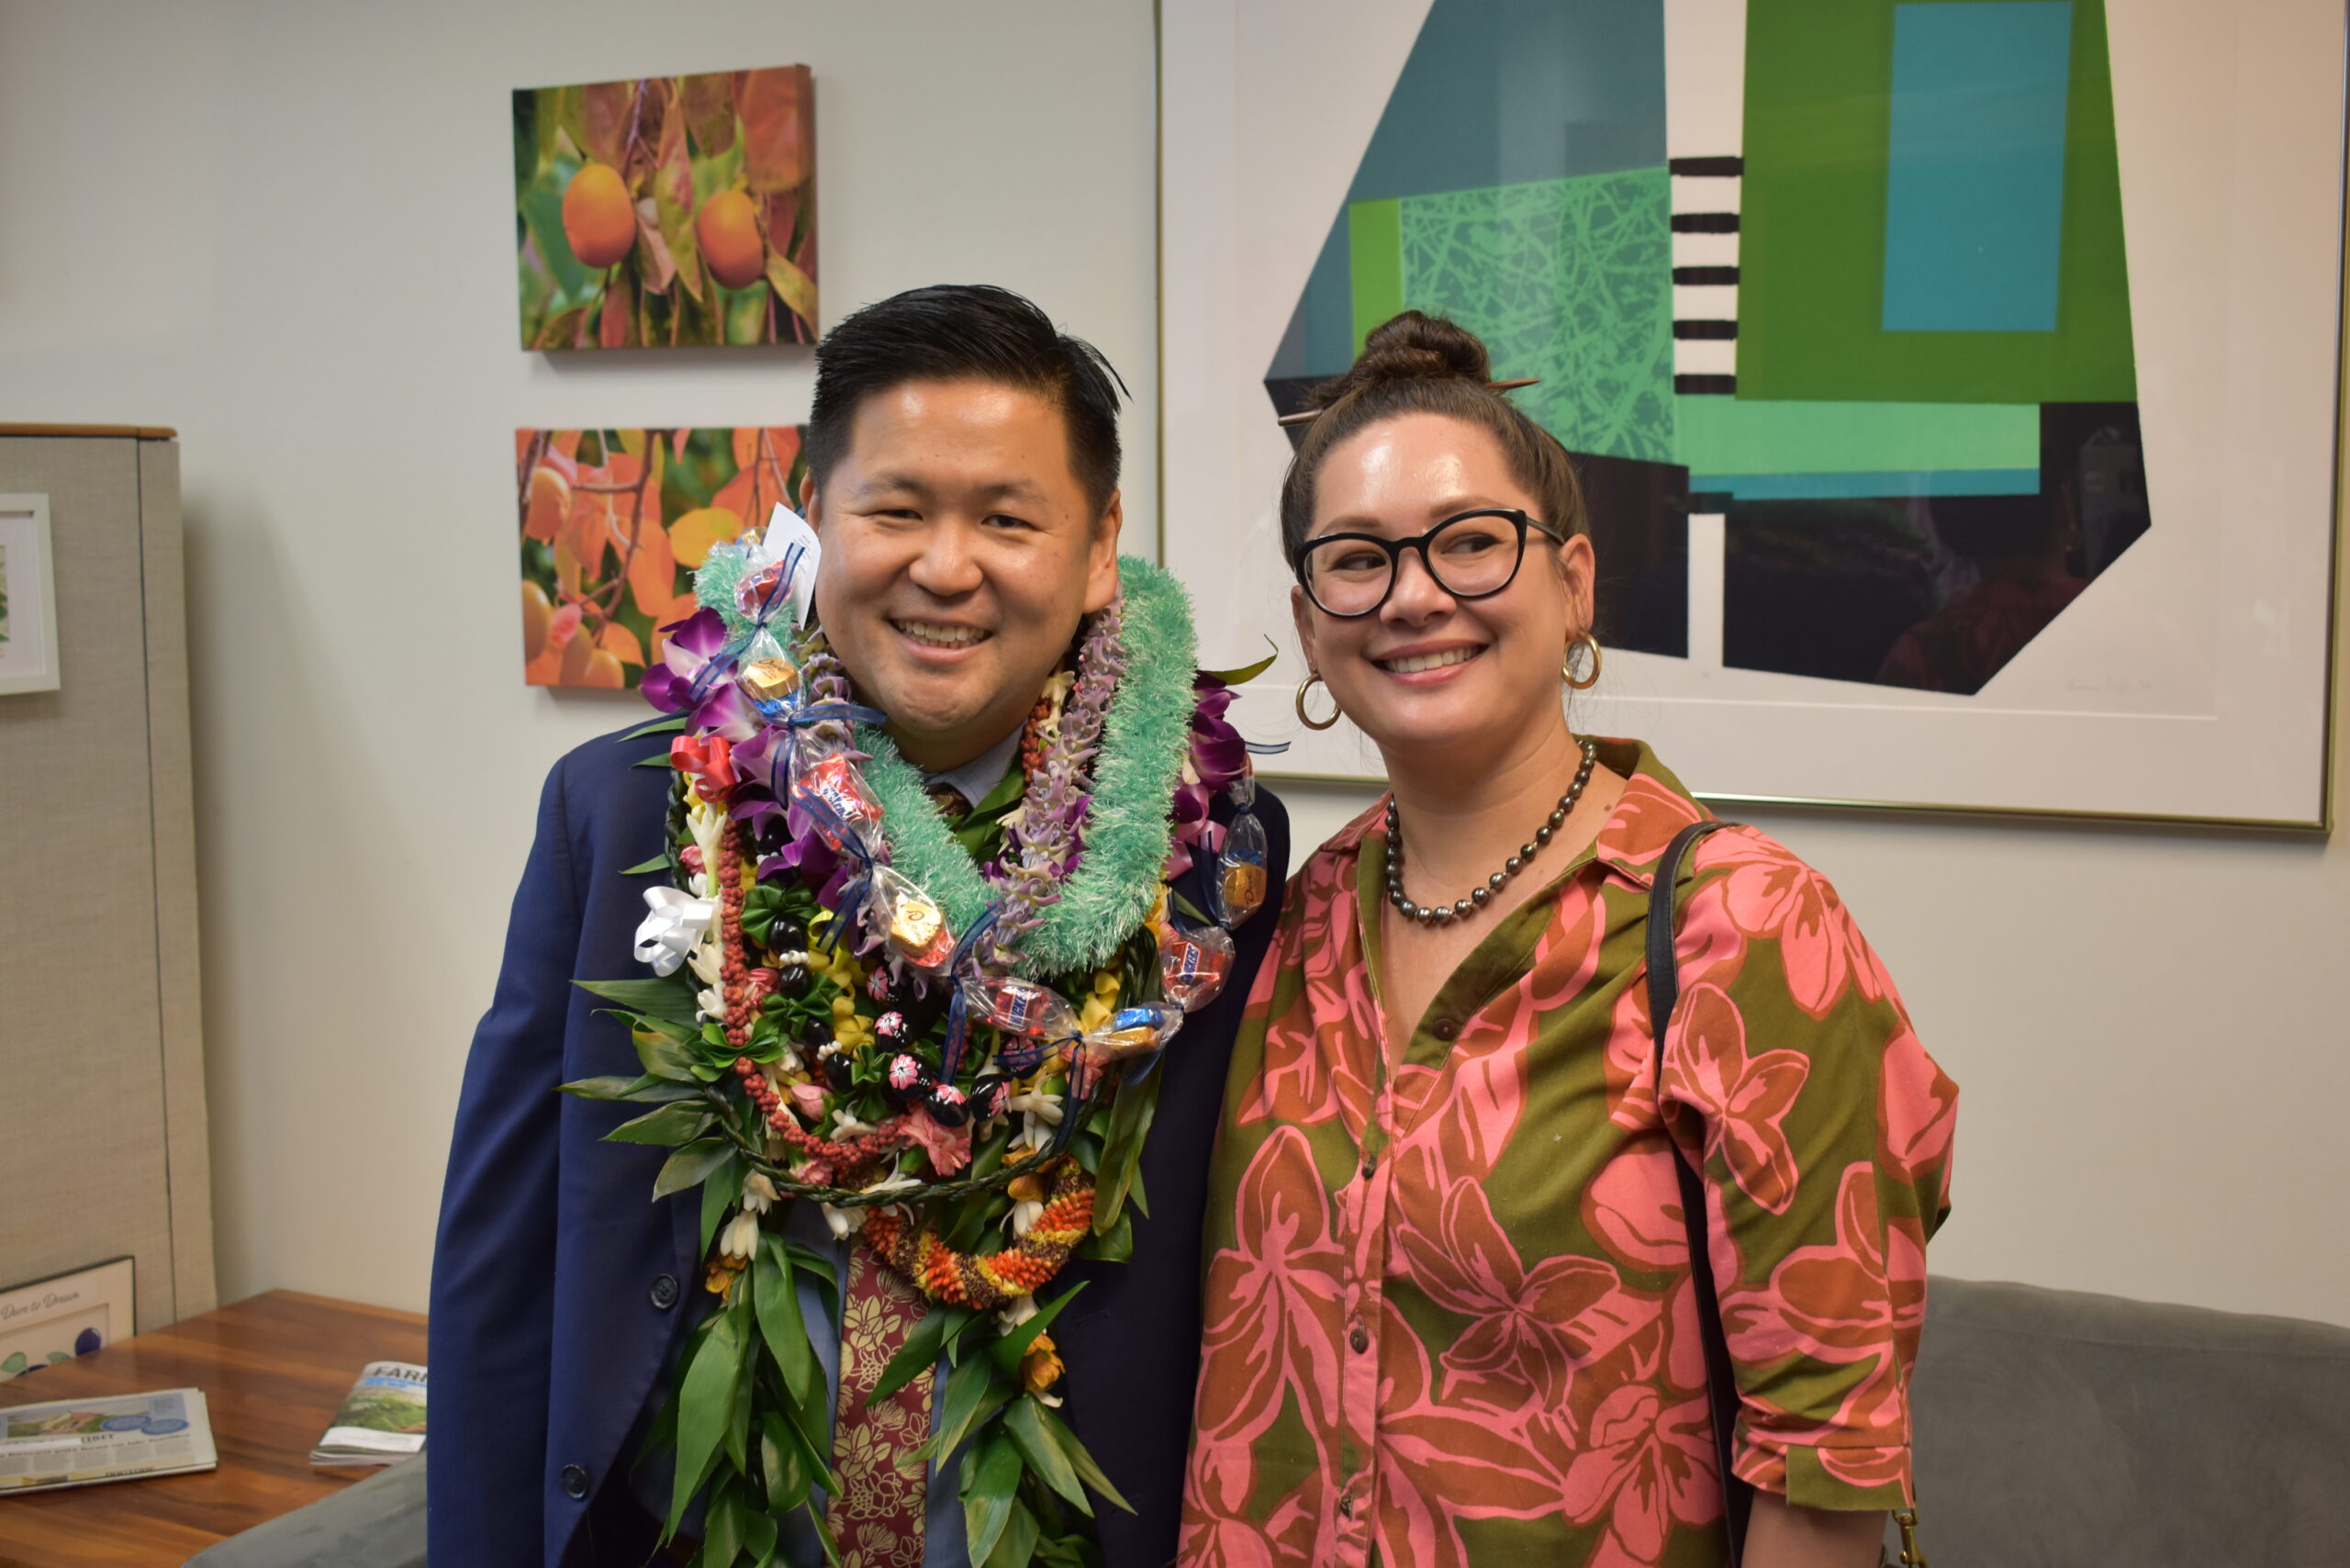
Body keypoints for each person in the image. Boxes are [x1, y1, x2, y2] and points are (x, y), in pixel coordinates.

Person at [432, 284, 1290, 1568]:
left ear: (1102, 541)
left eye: (1008, 518)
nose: (946, 568)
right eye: (896, 509)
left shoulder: (1209, 853)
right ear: (814, 509)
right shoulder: (625, 813)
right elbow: (504, 1267)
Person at [1181, 313, 1957, 1568]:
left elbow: (1826, 1469)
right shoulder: (1292, 915)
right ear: (1312, 621)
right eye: (1358, 559)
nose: (1417, 593)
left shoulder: (1741, 929)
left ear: (1576, 581)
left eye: (1473, 543)